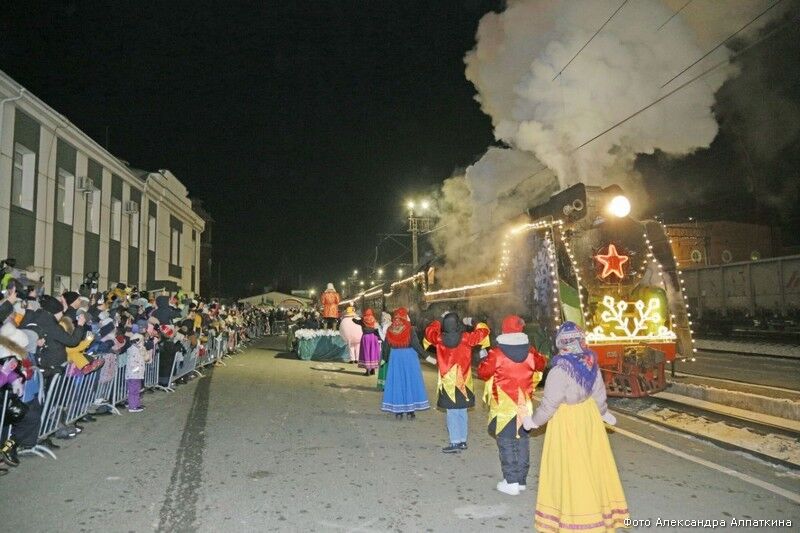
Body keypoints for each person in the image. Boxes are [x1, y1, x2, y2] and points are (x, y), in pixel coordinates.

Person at [522, 322, 629, 532]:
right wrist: (604, 413)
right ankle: (601, 512)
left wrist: (533, 422)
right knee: (593, 464)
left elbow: (549, 405)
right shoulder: (591, 364)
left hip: (567, 421)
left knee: (571, 469)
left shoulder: (559, 370)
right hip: (588, 418)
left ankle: (578, 517)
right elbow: (599, 394)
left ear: (561, 344)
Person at [477, 315, 547, 496]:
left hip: (504, 407)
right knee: (523, 441)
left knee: (506, 442)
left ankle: (511, 481)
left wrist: (483, 358)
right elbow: (541, 365)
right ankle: (522, 480)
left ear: (504, 330)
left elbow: (484, 372)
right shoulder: (531, 352)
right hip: (524, 405)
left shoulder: (497, 353)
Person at [424, 312, 489, 453]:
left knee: (451, 413)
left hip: (447, 383)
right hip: (464, 382)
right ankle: (463, 441)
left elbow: (429, 332)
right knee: (462, 412)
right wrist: (472, 321)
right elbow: (483, 331)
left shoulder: (439, 339)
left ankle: (454, 442)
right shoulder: (466, 338)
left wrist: (439, 320)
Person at [380, 308, 429, 419]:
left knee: (398, 382)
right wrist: (427, 356)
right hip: (410, 358)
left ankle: (399, 412)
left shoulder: (390, 329)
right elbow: (416, 345)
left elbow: (386, 346)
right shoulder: (410, 329)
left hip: (395, 359)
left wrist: (384, 358)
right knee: (410, 382)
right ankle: (411, 412)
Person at [354, 308, 380, 376]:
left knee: (366, 352)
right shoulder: (374, 319)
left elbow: (355, 321)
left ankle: (367, 371)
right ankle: (373, 370)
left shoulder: (363, 319)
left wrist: (354, 316)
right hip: (374, 337)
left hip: (366, 337)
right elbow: (377, 327)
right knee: (373, 352)